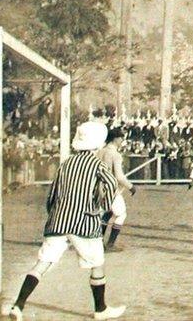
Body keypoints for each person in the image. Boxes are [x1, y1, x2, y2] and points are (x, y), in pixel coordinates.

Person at [8, 122, 126, 321]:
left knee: (42, 263)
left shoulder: (66, 164)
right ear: (97, 142)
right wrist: (101, 205)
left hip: (58, 221)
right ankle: (100, 309)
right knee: (97, 264)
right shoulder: (97, 164)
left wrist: (55, 216)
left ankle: (18, 305)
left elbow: (51, 196)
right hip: (84, 223)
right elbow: (111, 184)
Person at [98, 128, 138, 252]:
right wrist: (131, 186)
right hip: (111, 188)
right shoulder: (115, 154)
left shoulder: (100, 151)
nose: (122, 141)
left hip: (99, 187)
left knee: (108, 213)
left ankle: (99, 243)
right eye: (121, 138)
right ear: (116, 138)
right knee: (121, 214)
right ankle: (110, 244)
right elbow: (119, 176)